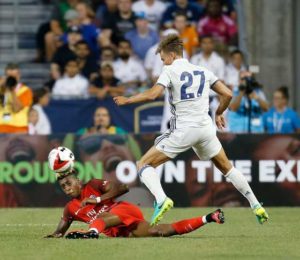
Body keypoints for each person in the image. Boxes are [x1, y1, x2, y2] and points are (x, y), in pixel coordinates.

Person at [114, 34, 269, 225]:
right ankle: (255, 205)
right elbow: (227, 94)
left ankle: (161, 200)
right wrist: (219, 112)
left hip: (184, 130)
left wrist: (127, 99)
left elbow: (153, 94)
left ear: (171, 56)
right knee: (227, 168)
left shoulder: (169, 70)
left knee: (143, 164)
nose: (163, 62)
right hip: (205, 129)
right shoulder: (204, 71)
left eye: (163, 59)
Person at [45, 170, 225, 239]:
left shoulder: (92, 185)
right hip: (119, 230)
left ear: (78, 180)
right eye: (63, 187)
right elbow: (60, 231)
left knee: (101, 216)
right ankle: (210, 217)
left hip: (124, 211)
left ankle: (92, 233)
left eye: (69, 183)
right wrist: (55, 235)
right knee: (160, 231)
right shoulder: (70, 208)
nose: (67, 189)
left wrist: (98, 199)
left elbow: (123, 188)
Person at [0, 64, 33, 133]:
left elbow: (16, 109)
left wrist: (12, 90)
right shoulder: (1, 89)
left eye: (14, 76)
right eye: (9, 76)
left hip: (18, 129)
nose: (12, 79)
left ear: (19, 76)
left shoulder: (25, 90)